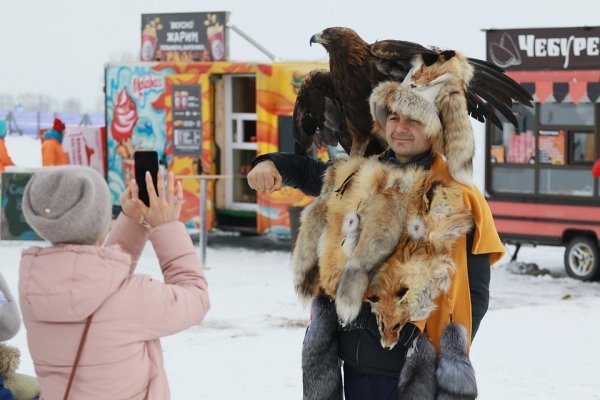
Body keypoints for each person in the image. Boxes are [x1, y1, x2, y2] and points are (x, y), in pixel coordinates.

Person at [247, 81, 505, 399]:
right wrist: (270, 164)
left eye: (414, 119)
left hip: (411, 371)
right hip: (353, 363)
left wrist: (446, 359)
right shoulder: (362, 176)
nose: (401, 128)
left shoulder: (457, 195)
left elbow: (475, 292)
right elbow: (313, 173)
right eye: (394, 117)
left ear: (435, 127)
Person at [19, 166, 210, 399]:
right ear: (101, 220)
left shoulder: (33, 288)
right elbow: (196, 298)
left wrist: (132, 223)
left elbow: (95, 285)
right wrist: (166, 227)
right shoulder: (135, 298)